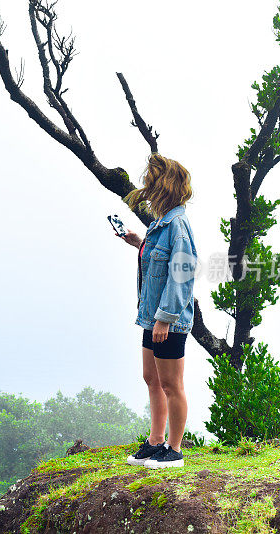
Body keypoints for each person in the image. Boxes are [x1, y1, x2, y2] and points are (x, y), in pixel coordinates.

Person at [117, 152, 197, 469]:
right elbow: (159, 262)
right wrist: (139, 243)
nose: (148, 193)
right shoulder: (161, 226)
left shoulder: (178, 226)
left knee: (171, 385)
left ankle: (174, 450)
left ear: (165, 189)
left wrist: (165, 318)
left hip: (168, 321)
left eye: (151, 187)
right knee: (151, 377)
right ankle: (155, 442)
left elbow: (182, 274)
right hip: (151, 318)